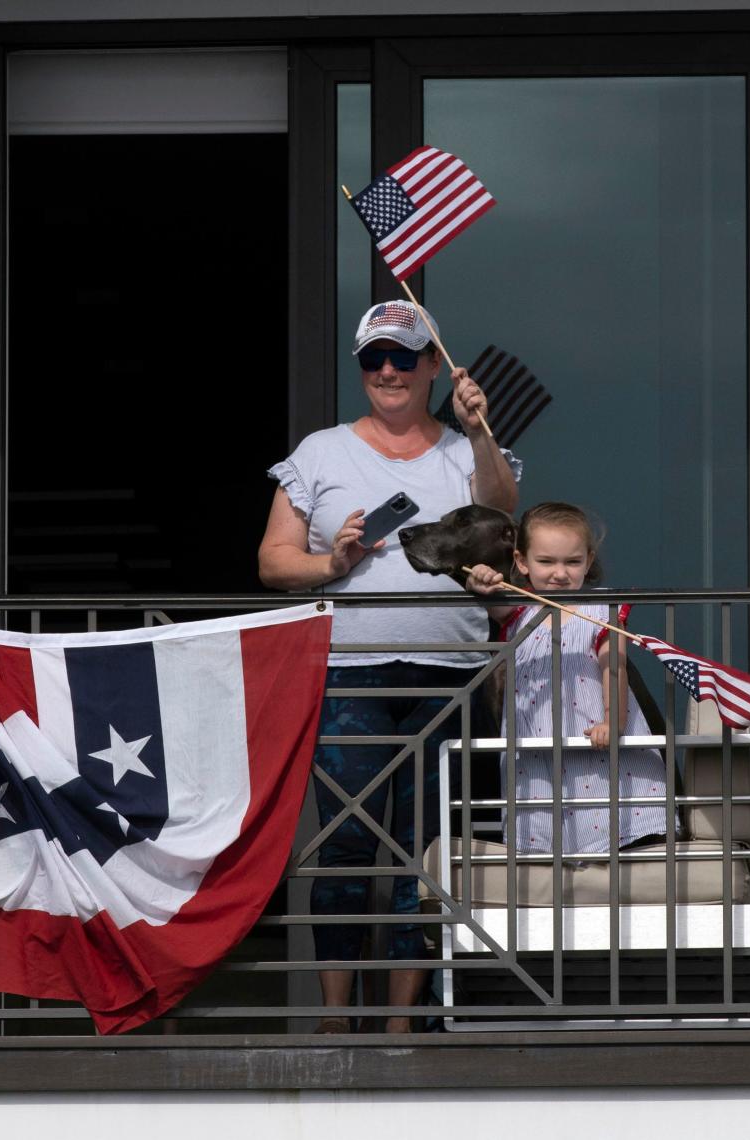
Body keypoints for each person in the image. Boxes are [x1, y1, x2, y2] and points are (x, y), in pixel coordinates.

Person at [258, 300, 520, 1032]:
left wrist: (479, 432)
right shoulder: (321, 451)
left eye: (404, 357)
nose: (388, 371)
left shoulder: (469, 448)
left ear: (434, 365)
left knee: (428, 851)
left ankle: (405, 1021)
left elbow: (503, 518)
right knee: (344, 845)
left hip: (451, 673)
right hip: (351, 673)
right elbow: (271, 562)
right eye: (374, 357)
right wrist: (329, 561)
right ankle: (338, 1017)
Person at [465, 501, 675, 857]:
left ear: (588, 562)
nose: (559, 573)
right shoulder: (518, 610)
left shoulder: (601, 610)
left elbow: (616, 666)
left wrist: (614, 719)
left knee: (611, 826)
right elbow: (492, 600)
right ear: (521, 562)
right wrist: (479, 581)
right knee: (542, 837)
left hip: (597, 742)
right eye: (546, 562)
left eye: (572, 562)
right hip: (537, 749)